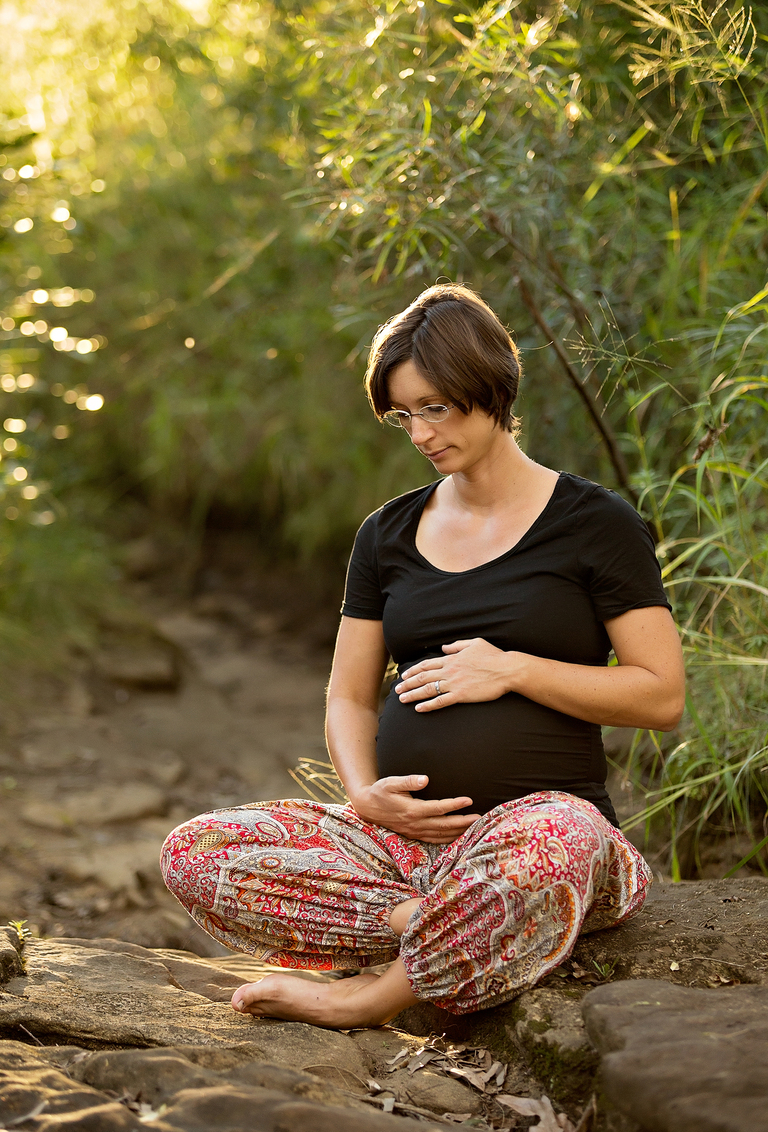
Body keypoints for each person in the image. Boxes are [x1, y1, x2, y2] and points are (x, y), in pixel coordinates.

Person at [161, 284, 685, 1029]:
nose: (420, 433)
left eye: (435, 406)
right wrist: (365, 791)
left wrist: (512, 668)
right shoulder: (387, 534)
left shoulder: (596, 524)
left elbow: (660, 697)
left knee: (548, 853)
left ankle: (370, 995)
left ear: (491, 385)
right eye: (404, 415)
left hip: (542, 830)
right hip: (400, 849)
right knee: (197, 850)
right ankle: (448, 923)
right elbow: (347, 695)